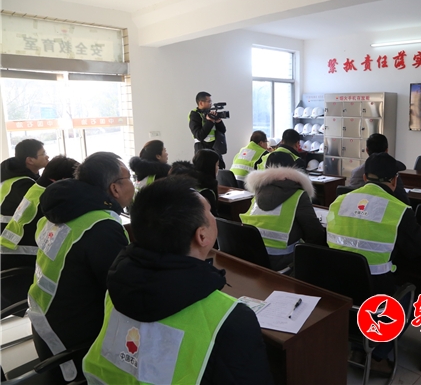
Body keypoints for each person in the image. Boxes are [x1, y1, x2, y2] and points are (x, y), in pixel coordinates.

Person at [82, 176, 273, 385]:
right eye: (210, 212)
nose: (213, 216)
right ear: (202, 236)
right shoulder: (232, 320)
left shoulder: (117, 286)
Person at [27, 152, 133, 383]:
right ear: (115, 188)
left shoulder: (63, 210)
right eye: (129, 178)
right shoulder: (102, 226)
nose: (133, 184)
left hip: (44, 320)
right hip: (72, 337)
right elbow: (124, 290)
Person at [327, 152, 421, 372]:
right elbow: (420, 247)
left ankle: (355, 344)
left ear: (365, 177)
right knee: (410, 297)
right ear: (394, 180)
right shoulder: (399, 210)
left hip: (335, 285)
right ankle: (377, 357)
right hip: (374, 293)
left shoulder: (339, 201)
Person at [241, 152, 326, 271]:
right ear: (293, 169)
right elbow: (314, 233)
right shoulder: (298, 195)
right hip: (282, 259)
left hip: (253, 253)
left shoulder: (258, 193)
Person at [1, 155, 79, 265]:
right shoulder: (49, 198)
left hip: (10, 250)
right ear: (63, 180)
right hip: (24, 256)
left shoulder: (36, 188)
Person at [1, 139, 49, 234]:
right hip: (12, 235)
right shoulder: (22, 184)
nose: (47, 157)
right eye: (43, 154)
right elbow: (41, 208)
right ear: (30, 160)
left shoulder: (16, 175)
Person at [348, 133, 410, 205]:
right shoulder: (391, 173)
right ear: (386, 150)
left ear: (367, 150)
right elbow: (404, 201)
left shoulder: (356, 172)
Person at [189, 91, 227, 169]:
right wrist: (210, 121)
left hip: (215, 146)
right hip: (202, 148)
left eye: (211, 101)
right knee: (204, 171)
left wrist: (218, 121)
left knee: (219, 169)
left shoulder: (210, 113)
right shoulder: (194, 115)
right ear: (201, 103)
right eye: (209, 101)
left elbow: (222, 131)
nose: (211, 104)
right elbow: (199, 135)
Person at [193, 149, 221, 217]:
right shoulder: (207, 192)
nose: (218, 168)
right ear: (210, 167)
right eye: (217, 165)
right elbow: (213, 216)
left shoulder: (191, 181)